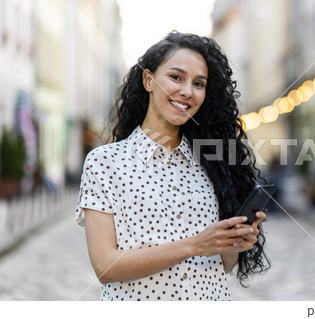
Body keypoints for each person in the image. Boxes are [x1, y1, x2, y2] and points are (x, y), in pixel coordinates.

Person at [76, 32, 270, 301]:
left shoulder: (212, 164)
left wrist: (234, 244)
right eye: (176, 77)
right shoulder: (105, 163)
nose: (187, 91)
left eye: (198, 83)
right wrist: (193, 245)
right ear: (148, 80)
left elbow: (221, 266)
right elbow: (105, 266)